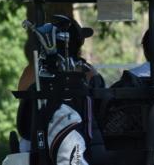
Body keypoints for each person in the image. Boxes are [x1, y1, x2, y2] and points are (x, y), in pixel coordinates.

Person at [17, 15, 104, 165]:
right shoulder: (88, 71)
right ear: (76, 43)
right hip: (81, 140)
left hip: (34, 142)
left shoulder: (32, 70)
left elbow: (23, 104)